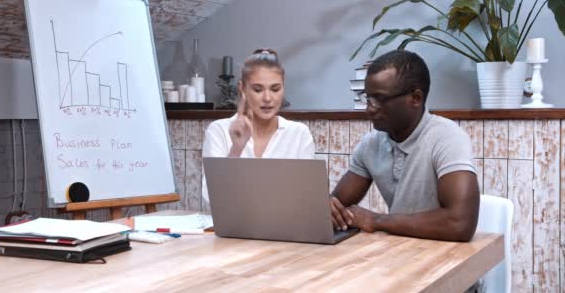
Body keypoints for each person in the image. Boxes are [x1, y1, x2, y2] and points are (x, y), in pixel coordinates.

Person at [331, 50, 479, 242]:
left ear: (415, 98)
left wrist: (377, 220)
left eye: (379, 99)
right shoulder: (371, 144)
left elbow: (460, 224)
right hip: (400, 254)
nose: (369, 108)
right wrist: (329, 207)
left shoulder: (447, 138)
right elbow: (337, 205)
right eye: (367, 98)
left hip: (445, 260)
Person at [202, 48, 315, 202]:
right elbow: (211, 197)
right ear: (242, 89)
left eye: (275, 89)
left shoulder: (299, 134)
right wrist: (236, 150)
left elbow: (306, 197)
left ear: (283, 88)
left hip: (284, 225)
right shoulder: (219, 130)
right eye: (258, 89)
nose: (268, 98)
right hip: (234, 225)